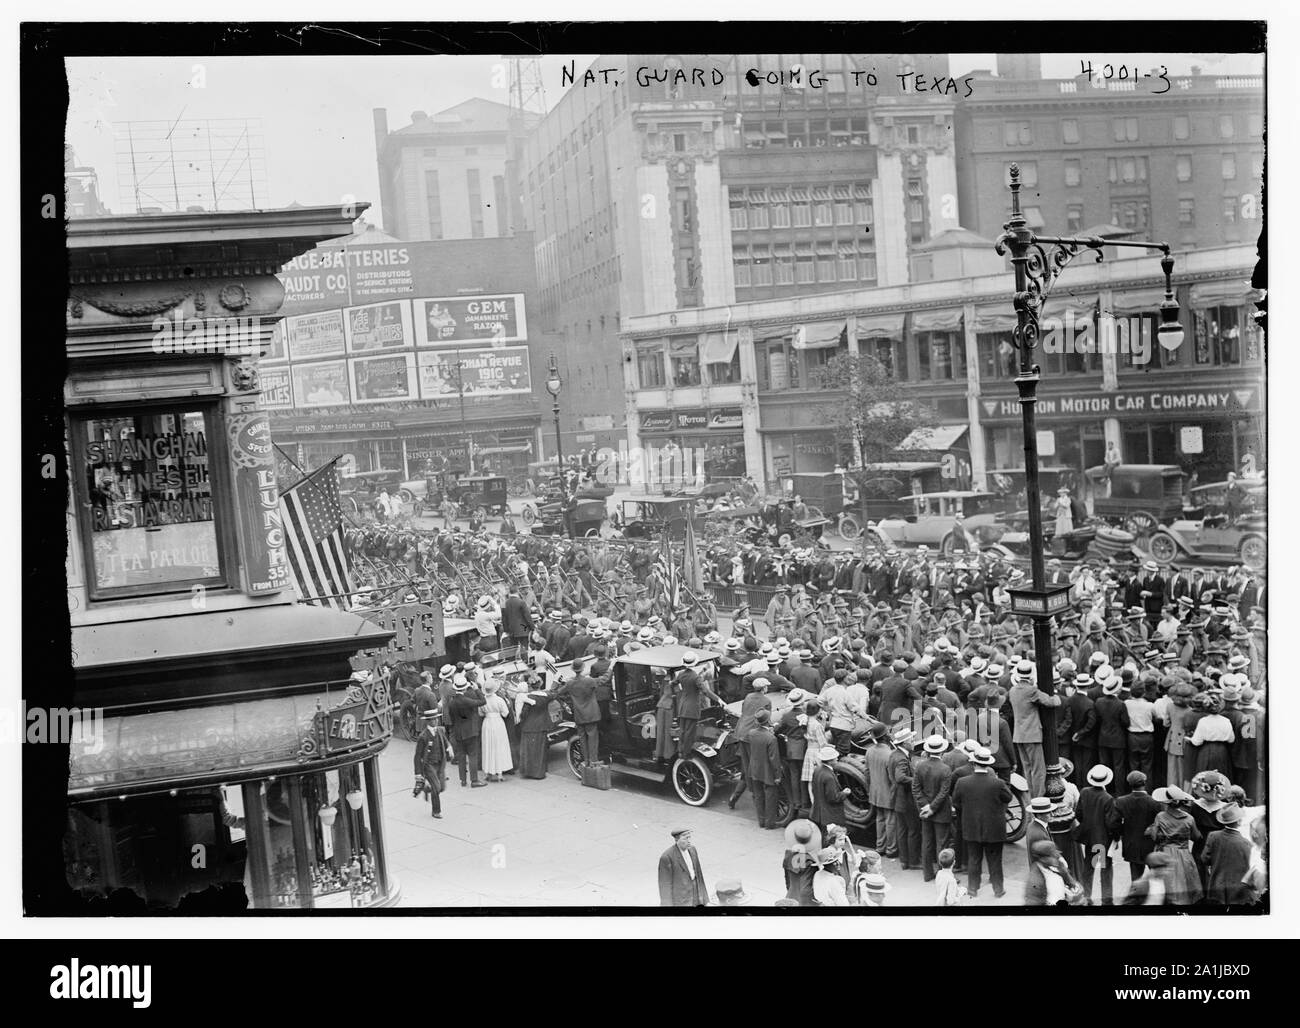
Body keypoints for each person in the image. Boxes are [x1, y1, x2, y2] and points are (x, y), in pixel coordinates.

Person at [951, 746, 1013, 899]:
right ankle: (998, 889)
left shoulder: (962, 782)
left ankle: (973, 889)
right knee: (995, 860)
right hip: (994, 829)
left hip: (971, 827)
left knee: (973, 859)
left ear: (973, 763)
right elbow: (1008, 798)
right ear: (988, 764)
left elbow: (956, 802)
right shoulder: (997, 783)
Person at [1008, 659, 1060, 798]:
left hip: (1019, 735)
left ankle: (1032, 797)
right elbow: (1052, 701)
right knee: (1038, 770)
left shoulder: (1013, 690)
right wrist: (1057, 696)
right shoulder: (1031, 690)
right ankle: (1038, 799)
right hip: (1032, 735)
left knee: (1028, 769)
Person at [1144, 785, 1203, 905]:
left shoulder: (1160, 816)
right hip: (1183, 853)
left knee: (1167, 883)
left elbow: (1154, 837)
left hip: (1165, 852)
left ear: (1167, 803)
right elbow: (1197, 837)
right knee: (1185, 881)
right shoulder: (1189, 819)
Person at [1075, 764, 1122, 905]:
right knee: (1105, 871)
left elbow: (1079, 814)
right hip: (1102, 842)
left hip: (1089, 839)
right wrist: (1116, 838)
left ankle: (1086, 898)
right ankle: (1106, 901)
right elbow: (1111, 823)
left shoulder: (1084, 792)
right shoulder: (1107, 798)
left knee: (1088, 870)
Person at [912, 734, 955, 882]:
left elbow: (916, 789)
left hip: (925, 812)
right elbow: (944, 793)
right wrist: (932, 807)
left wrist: (925, 806)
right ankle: (942, 875)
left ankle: (927, 874)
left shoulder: (920, 766)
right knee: (941, 844)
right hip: (941, 812)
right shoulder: (945, 769)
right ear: (941, 751)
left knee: (927, 842)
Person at [1201, 804, 1256, 906]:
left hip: (1217, 886)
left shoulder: (1213, 836)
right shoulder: (1247, 844)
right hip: (1238, 892)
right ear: (1239, 821)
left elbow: (1205, 859)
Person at [555, 656, 602, 767]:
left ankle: (586, 761)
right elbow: (601, 682)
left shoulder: (570, 683)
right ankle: (594, 760)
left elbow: (558, 692)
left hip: (579, 715)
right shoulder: (589, 681)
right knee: (592, 738)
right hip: (592, 714)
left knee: (582, 739)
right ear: (583, 668)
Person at [1114, 771, 1161, 883]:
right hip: (1151, 845)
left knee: (1136, 880)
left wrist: (1120, 835)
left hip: (1131, 844)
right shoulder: (1154, 802)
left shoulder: (1121, 801)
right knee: (1157, 880)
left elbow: (1115, 823)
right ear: (1145, 782)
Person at [447, 674, 487, 788]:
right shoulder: (467, 700)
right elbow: (483, 701)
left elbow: (452, 718)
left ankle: (463, 780)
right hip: (470, 731)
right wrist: (477, 689)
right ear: (464, 688)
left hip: (458, 732)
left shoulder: (452, 702)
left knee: (461, 756)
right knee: (473, 755)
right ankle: (474, 780)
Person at [746, 709, 784, 830]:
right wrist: (777, 776)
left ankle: (761, 821)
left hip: (755, 769)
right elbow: (774, 759)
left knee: (758, 796)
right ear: (768, 721)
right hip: (768, 772)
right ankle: (770, 823)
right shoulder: (771, 738)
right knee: (770, 797)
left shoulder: (751, 733)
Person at [515, 674, 555, 780]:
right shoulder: (546, 696)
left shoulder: (528, 697)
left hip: (529, 726)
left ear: (530, 686)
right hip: (542, 725)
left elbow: (524, 713)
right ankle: (539, 773)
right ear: (540, 684)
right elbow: (554, 693)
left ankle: (528, 772)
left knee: (528, 750)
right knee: (540, 750)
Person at [413, 709, 451, 819]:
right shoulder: (423, 736)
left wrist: (449, 747)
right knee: (437, 787)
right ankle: (436, 811)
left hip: (440, 763)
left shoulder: (440, 730)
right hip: (429, 765)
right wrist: (418, 773)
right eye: (432, 719)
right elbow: (417, 756)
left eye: (436, 718)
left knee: (442, 787)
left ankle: (427, 789)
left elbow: (445, 741)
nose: (435, 721)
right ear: (427, 721)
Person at [658, 828, 708, 907]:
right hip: (681, 899)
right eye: (685, 838)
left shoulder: (692, 849)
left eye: (689, 837)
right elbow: (665, 886)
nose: (689, 841)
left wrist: (704, 898)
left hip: (696, 894)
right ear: (676, 840)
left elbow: (699, 874)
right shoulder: (667, 857)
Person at [478, 679, 514, 782]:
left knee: (488, 746)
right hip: (498, 723)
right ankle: (499, 773)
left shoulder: (482, 700)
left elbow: (480, 713)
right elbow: (505, 713)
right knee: (499, 746)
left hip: (487, 723)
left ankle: (488, 772)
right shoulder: (499, 700)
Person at [810, 745, 848, 838]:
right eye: (835, 758)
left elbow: (814, 789)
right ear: (830, 761)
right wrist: (844, 793)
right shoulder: (829, 776)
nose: (837, 759)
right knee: (829, 839)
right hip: (829, 814)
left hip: (819, 812)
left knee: (823, 837)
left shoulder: (817, 770)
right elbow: (833, 798)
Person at [1025, 840, 1078, 907]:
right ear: (1043, 858)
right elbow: (1033, 901)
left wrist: (1072, 885)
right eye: (1052, 855)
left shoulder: (1058, 865)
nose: (1056, 857)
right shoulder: (1035, 879)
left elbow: (1069, 880)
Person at [782, 820, 821, 906]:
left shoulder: (788, 855)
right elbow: (808, 887)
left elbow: (787, 879)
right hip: (806, 901)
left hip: (791, 895)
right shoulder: (810, 862)